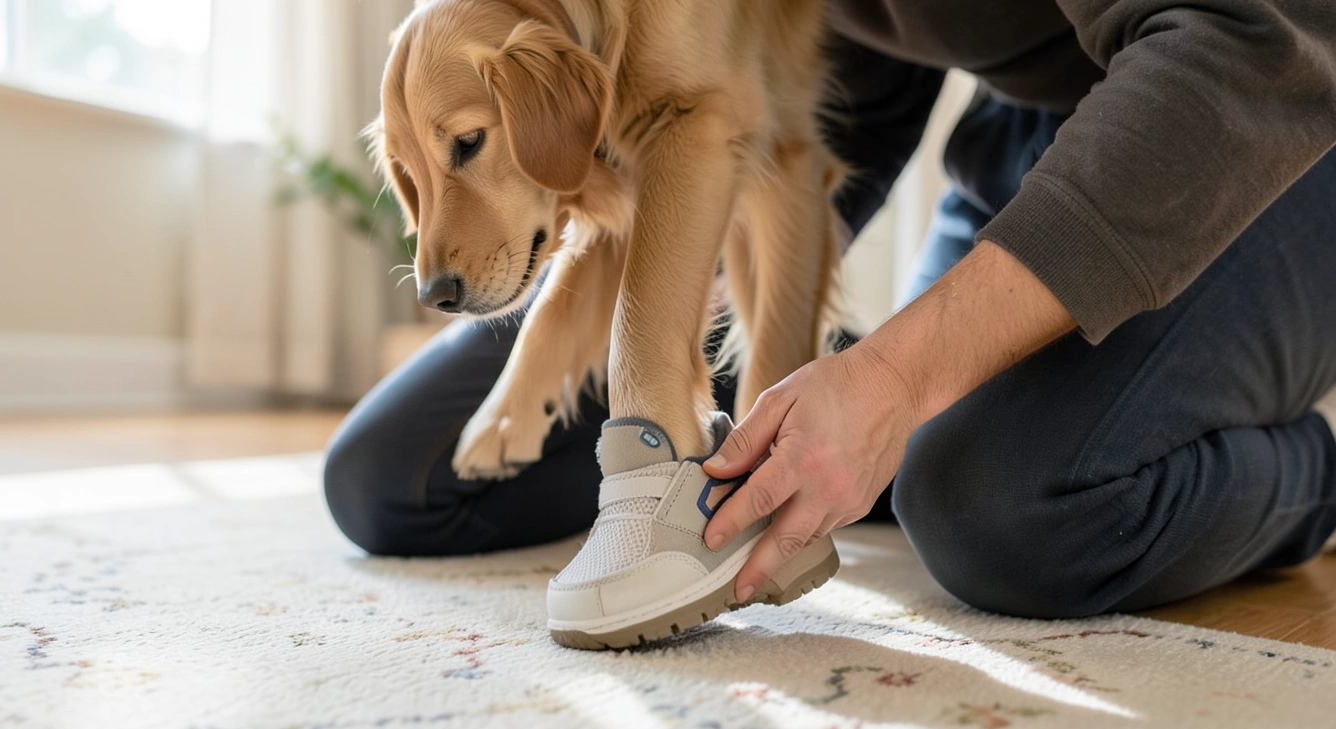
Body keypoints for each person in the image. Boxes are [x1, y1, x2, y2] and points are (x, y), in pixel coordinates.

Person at [324, 0, 1336, 618]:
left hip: (1273, 129)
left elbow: (1251, 47)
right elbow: (792, 136)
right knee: (402, 479)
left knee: (996, 506)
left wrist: (894, 377)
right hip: (1030, 151)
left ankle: (1314, 483)